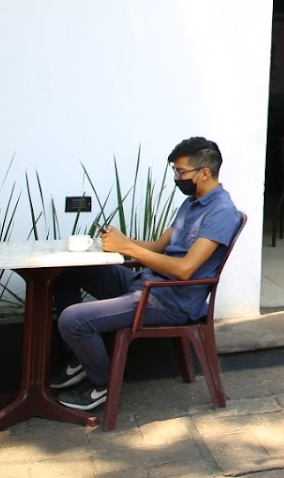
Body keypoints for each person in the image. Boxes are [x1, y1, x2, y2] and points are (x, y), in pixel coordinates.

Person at [49, 136, 241, 411]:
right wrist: (120, 240)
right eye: (174, 171)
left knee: (73, 320)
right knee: (68, 271)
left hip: (170, 301)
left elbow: (185, 269)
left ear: (204, 173)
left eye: (181, 172)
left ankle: (101, 384)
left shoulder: (221, 213)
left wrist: (127, 248)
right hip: (148, 283)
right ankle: (80, 358)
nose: (176, 178)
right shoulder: (192, 203)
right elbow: (158, 247)